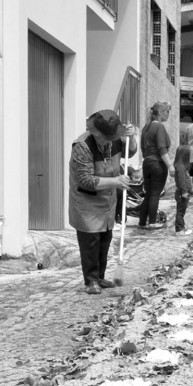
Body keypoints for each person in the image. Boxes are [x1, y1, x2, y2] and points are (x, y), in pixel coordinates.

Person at [70, 109, 137, 293]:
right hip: (87, 202)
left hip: (107, 201)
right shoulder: (82, 146)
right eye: (103, 137)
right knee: (90, 242)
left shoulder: (114, 138)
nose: (108, 141)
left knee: (104, 239)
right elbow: (86, 180)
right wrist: (115, 181)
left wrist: (132, 137)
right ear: (95, 132)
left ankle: (100, 276)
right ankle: (90, 280)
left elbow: (129, 151)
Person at [138, 101, 173, 230]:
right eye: (167, 112)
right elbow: (162, 148)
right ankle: (152, 221)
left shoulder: (145, 128)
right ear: (161, 112)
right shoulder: (159, 127)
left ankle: (142, 222)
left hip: (146, 162)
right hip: (157, 163)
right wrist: (170, 166)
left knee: (148, 193)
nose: (168, 115)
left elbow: (143, 148)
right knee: (155, 194)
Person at [173, 120, 193, 235]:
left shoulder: (180, 166)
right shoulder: (181, 168)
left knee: (181, 210)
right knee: (180, 211)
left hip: (184, 192)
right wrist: (184, 192)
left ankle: (181, 226)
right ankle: (179, 229)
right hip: (183, 193)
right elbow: (181, 181)